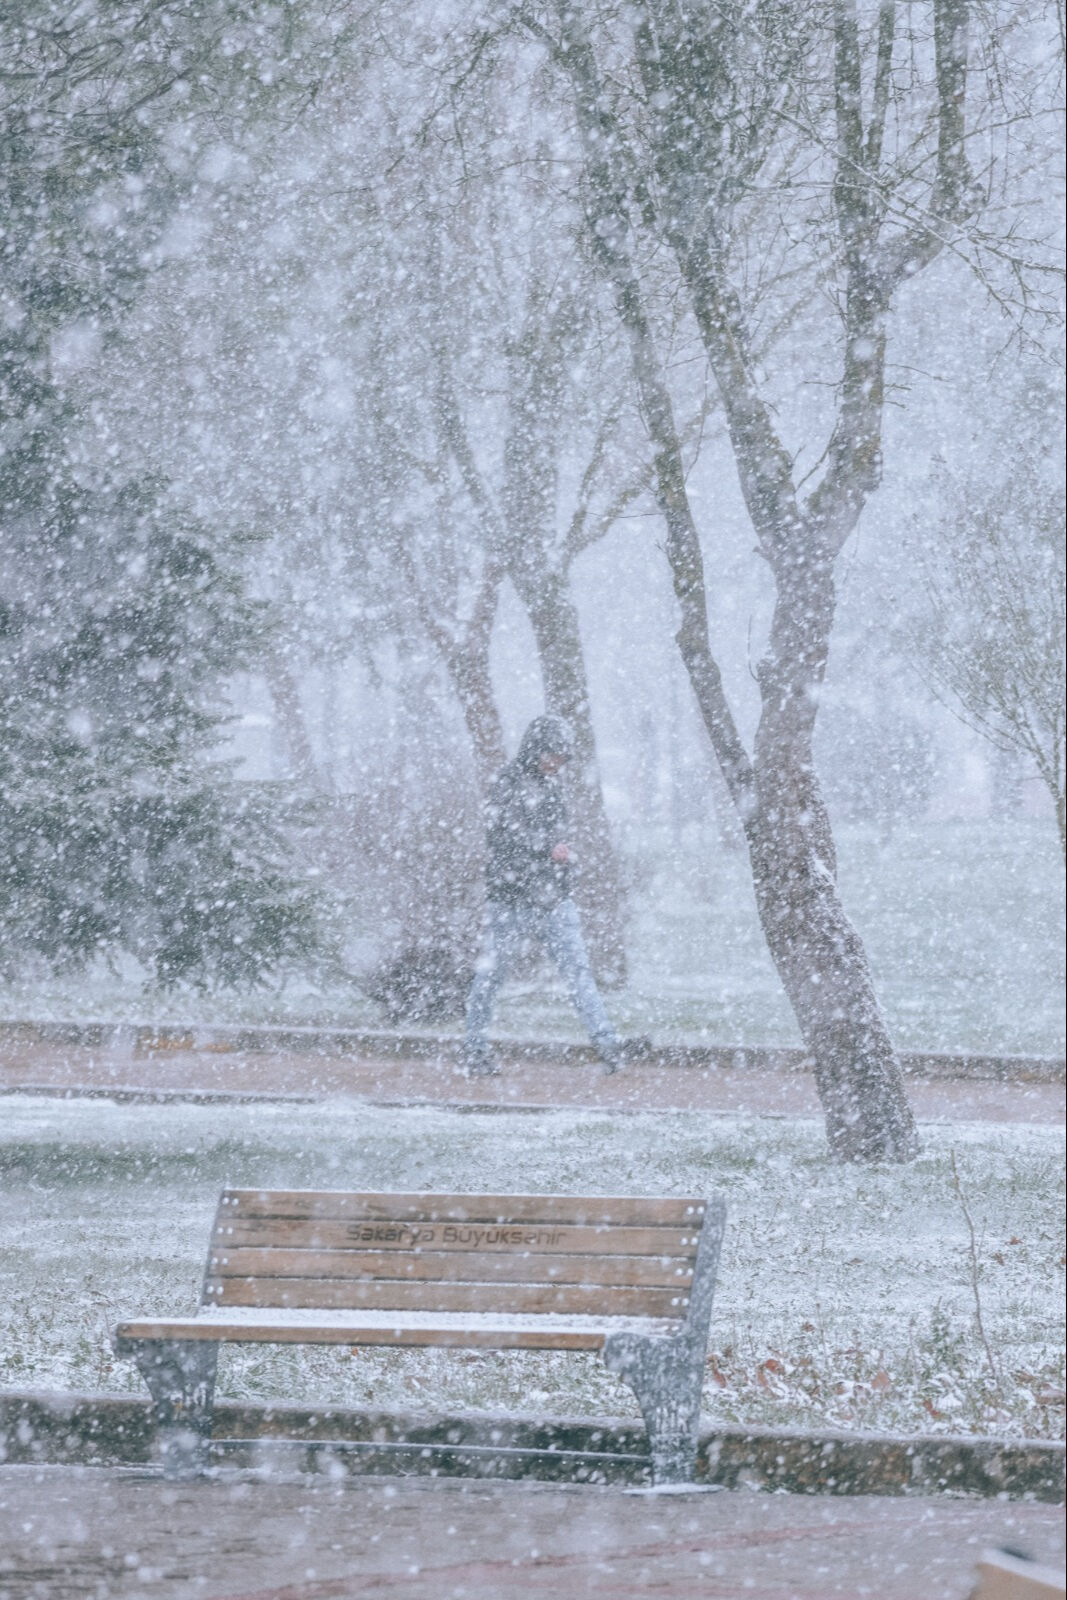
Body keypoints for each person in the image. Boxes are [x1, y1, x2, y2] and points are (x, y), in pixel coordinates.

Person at [462, 714, 624, 1078]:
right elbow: (503, 840)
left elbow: (554, 837)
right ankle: (474, 1047)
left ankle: (607, 1042)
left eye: (563, 758)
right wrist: (546, 852)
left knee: (578, 972)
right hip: (512, 899)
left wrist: (561, 864)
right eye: (554, 755)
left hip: (552, 898)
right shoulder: (507, 783)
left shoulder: (551, 787)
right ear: (536, 749)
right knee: (491, 976)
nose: (558, 763)